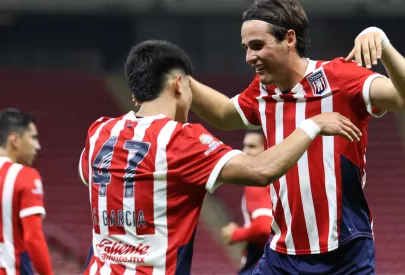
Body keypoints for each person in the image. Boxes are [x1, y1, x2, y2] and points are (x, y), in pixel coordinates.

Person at [78, 40, 361, 275]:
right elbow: (261, 170)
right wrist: (313, 125)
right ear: (179, 85)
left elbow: (91, 180)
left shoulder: (100, 131)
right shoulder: (180, 139)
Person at [189, 0, 405, 273]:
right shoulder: (262, 92)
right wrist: (182, 78)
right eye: (246, 48)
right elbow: (223, 113)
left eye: (257, 45)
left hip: (345, 253)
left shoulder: (339, 77)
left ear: (289, 38)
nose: (249, 57)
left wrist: (383, 46)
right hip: (282, 254)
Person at [0, 108, 53, 275]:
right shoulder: (24, 176)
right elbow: (33, 237)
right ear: (14, 140)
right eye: (33, 138)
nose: (37, 146)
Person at [220, 130, 272, 275]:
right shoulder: (280, 179)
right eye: (244, 146)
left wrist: (235, 234)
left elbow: (263, 227)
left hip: (263, 262)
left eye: (252, 146)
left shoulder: (258, 183)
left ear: (268, 149)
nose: (244, 151)